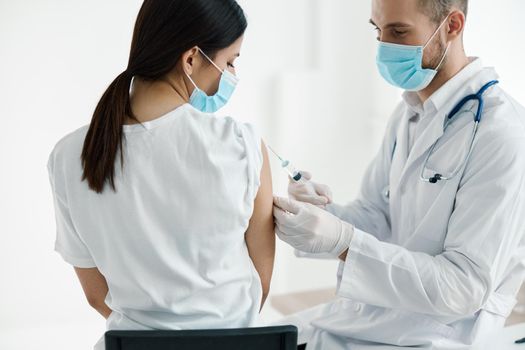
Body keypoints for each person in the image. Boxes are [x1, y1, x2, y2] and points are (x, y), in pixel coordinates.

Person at [273, 0, 525, 349]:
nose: (384, 47)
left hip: (440, 334)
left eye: (399, 32)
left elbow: (462, 288)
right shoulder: (409, 112)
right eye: (378, 31)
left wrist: (344, 241)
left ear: (452, 25)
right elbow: (377, 216)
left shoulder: (501, 131)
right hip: (380, 316)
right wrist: (321, 218)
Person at [46, 1, 275, 349]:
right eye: (229, 62)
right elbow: (261, 284)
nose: (230, 76)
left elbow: (96, 295)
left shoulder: (69, 155)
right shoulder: (240, 144)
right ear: (192, 59)